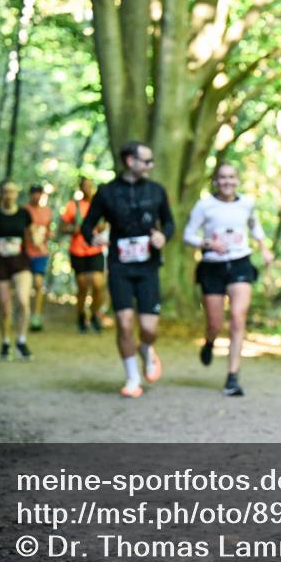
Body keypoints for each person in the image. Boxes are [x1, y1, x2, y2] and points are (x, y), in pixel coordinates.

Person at [80, 141, 175, 398]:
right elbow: (86, 226)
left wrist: (163, 237)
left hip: (148, 266)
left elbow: (169, 223)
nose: (151, 165)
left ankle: (146, 348)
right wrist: (95, 238)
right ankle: (132, 377)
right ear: (130, 161)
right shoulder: (107, 193)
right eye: (146, 161)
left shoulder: (156, 191)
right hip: (120, 265)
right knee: (123, 322)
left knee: (148, 328)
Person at [183, 162, 273, 396]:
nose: (227, 182)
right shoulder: (204, 206)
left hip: (240, 263)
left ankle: (232, 376)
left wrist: (264, 249)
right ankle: (210, 341)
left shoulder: (247, 204)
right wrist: (208, 243)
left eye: (231, 177)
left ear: (238, 180)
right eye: (222, 177)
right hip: (212, 266)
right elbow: (188, 235)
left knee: (237, 317)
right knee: (214, 322)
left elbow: (255, 226)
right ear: (215, 181)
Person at [0, 180, 34, 360]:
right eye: (6, 192)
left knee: (23, 300)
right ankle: (5, 341)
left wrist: (39, 240)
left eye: (12, 192)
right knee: (4, 305)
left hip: (20, 260)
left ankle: (21, 340)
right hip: (0, 261)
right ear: (1, 194)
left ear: (17, 194)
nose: (9, 195)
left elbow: (31, 235)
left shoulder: (24, 214)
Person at [60, 176, 107, 334]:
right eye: (85, 186)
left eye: (90, 186)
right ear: (80, 188)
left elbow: (107, 223)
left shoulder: (100, 206)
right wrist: (75, 229)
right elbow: (63, 226)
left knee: (98, 284)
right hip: (78, 251)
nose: (88, 189)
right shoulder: (73, 206)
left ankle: (94, 315)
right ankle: (81, 316)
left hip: (95, 250)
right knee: (82, 286)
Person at [25, 183, 53, 332]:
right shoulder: (24, 210)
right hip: (25, 253)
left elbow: (48, 229)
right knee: (24, 285)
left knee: (38, 283)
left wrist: (48, 235)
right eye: (34, 193)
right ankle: (24, 312)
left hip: (41, 253)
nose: (36, 196)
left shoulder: (47, 211)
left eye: (39, 194)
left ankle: (36, 315)